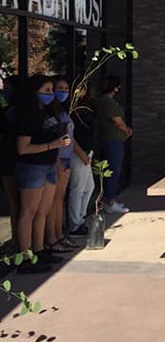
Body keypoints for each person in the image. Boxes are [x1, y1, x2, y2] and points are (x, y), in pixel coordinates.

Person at [14, 74, 70, 272]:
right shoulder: (27, 115)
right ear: (34, 91)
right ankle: (25, 257)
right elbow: (23, 148)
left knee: (43, 211)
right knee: (28, 212)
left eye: (51, 90)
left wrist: (56, 163)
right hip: (32, 166)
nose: (51, 94)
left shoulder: (48, 111)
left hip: (48, 165)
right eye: (46, 90)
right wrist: (52, 145)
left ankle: (39, 249)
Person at [45, 76, 86, 250]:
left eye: (66, 88)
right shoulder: (49, 112)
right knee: (53, 201)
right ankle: (52, 238)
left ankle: (59, 235)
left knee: (59, 200)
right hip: (58, 158)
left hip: (66, 157)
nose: (63, 92)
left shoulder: (61, 110)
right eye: (59, 88)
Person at [96, 76, 131, 214]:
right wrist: (126, 130)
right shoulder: (107, 102)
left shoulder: (104, 101)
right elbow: (117, 120)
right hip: (112, 141)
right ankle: (109, 201)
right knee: (113, 171)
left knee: (111, 171)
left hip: (110, 139)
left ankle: (109, 200)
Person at [67, 90, 95, 236]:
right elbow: (70, 137)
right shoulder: (71, 111)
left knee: (89, 187)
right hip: (78, 153)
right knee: (77, 189)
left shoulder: (85, 107)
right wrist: (81, 153)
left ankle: (81, 218)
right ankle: (74, 224)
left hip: (87, 151)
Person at [1, 74, 21, 247]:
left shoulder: (12, 111)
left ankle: (18, 238)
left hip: (11, 158)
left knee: (15, 202)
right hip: (13, 157)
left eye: (7, 88)